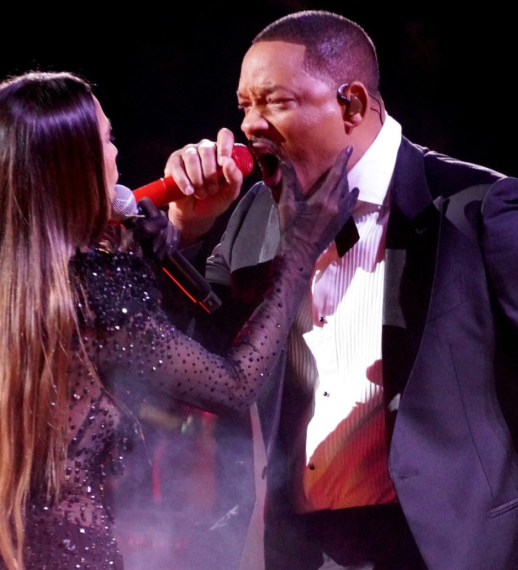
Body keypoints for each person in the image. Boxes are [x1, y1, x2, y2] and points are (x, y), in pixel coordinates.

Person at [164, 10, 518, 570]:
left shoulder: (475, 209)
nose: (251, 125)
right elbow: (198, 365)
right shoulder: (255, 214)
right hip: (309, 553)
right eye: (244, 106)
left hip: (456, 549)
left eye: (275, 102)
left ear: (351, 104)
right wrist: (184, 232)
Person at [0, 71, 356, 570]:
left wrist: (178, 234)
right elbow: (234, 385)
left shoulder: (31, 287)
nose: (116, 154)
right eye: (107, 139)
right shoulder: (96, 290)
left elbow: (95, 340)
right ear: (74, 166)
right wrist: (299, 248)